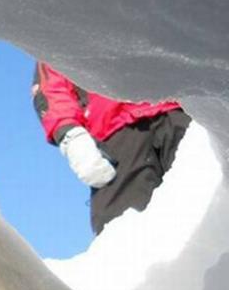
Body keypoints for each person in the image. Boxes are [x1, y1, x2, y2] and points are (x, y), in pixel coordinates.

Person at [32, 61, 191, 234]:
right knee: (124, 235)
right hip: (117, 131)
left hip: (181, 110)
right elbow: (53, 86)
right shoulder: (66, 34)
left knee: (208, 203)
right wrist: (71, 136)